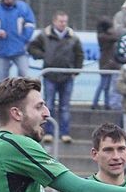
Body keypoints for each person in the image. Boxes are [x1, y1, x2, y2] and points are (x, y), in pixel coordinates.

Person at [27, 10, 84, 145]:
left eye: (65, 21)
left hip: (67, 77)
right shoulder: (44, 35)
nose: (63, 24)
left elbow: (79, 54)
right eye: (60, 21)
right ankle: (48, 132)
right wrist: (43, 55)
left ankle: (65, 133)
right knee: (49, 105)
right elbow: (32, 47)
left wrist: (76, 70)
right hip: (50, 76)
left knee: (65, 106)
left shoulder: (73, 37)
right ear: (54, 21)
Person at [92, 18, 120, 110]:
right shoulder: (103, 37)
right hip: (105, 62)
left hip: (109, 62)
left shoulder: (104, 36)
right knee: (103, 84)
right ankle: (95, 103)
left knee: (107, 86)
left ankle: (106, 103)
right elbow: (116, 37)